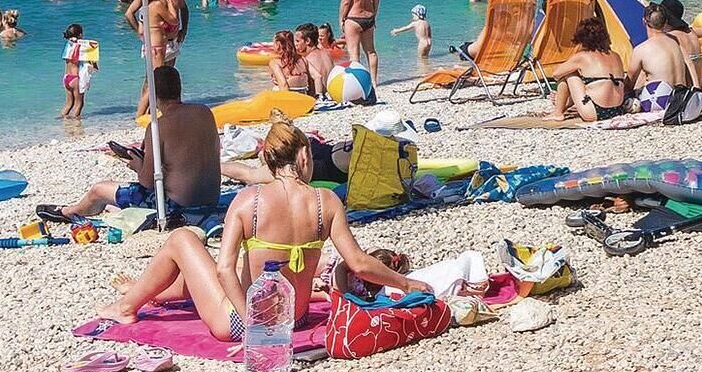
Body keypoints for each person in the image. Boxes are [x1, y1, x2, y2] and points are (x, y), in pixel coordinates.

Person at [90, 118, 428, 341]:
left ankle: (126, 307)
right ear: (305, 157)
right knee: (209, 266)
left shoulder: (248, 200)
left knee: (182, 239)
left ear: (267, 160)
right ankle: (143, 292)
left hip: (246, 323)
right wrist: (406, 282)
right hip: (292, 321)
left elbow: (224, 270)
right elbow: (359, 263)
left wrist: (248, 320)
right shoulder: (326, 201)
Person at [45, 65, 220, 222]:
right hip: (211, 201)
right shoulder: (204, 112)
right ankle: (102, 207)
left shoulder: (157, 126)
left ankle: (69, 212)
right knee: (112, 200)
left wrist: (138, 165)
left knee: (99, 190)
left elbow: (147, 182)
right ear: (179, 88)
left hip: (177, 208)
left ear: (152, 94)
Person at [545, 10, 628, 121]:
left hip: (595, 112)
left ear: (581, 38)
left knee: (569, 73)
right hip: (617, 110)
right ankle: (564, 107)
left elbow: (556, 74)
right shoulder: (616, 55)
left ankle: (558, 112)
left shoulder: (583, 57)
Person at [627, 0, 700, 117]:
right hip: (680, 96)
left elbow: (630, 81)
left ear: (644, 21)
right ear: (665, 22)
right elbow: (689, 63)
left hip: (660, 100)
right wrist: (696, 89)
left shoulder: (641, 49)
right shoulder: (675, 40)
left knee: (634, 89)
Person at [339, 0, 380, 81]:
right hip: (369, 17)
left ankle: (358, 82)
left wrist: (341, 19)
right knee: (371, 51)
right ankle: (374, 82)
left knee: (354, 55)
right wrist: (374, 15)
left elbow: (346, 1)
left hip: (354, 18)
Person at [60, 25, 96, 119]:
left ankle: (62, 119)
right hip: (75, 79)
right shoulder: (80, 47)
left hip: (67, 77)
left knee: (69, 103)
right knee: (79, 103)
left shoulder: (68, 45)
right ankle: (76, 122)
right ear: (80, 35)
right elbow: (90, 61)